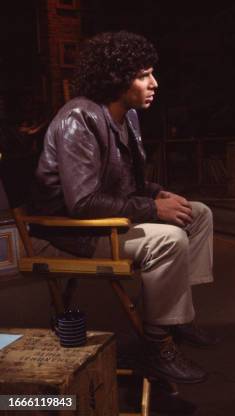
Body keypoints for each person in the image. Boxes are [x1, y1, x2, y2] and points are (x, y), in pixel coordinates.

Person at [30, 31, 217, 384]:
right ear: (116, 79)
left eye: (152, 73)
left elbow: (125, 184)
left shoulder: (127, 117)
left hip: (106, 220)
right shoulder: (78, 119)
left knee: (199, 213)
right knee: (170, 238)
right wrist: (152, 210)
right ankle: (157, 344)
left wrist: (158, 194)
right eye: (143, 74)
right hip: (68, 233)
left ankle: (178, 318)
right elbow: (82, 202)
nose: (154, 83)